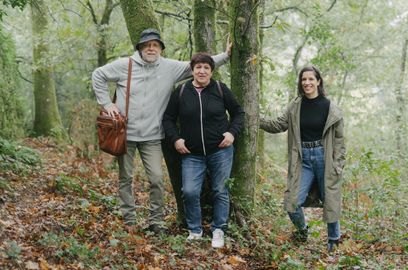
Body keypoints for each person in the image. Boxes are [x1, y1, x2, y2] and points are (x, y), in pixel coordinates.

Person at [92, 29, 231, 235]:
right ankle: (129, 220)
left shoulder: (169, 67)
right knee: (126, 178)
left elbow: (199, 67)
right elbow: (98, 75)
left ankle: (156, 222)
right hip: (125, 135)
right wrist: (106, 104)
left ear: (160, 49)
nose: (151, 48)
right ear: (139, 47)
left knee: (156, 179)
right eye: (147, 45)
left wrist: (226, 56)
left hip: (153, 137)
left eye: (155, 45)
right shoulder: (124, 65)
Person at [162, 52, 245, 248]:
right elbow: (167, 119)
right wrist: (175, 139)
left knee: (220, 190)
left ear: (211, 71)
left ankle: (218, 230)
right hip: (192, 154)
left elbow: (238, 113)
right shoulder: (181, 92)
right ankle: (195, 230)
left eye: (206, 67)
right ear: (192, 70)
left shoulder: (219, 89)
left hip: (221, 151)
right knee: (189, 191)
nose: (202, 71)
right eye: (198, 67)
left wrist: (232, 133)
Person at [260, 66, 346, 252]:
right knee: (292, 202)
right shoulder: (295, 105)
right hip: (302, 159)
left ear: (318, 81)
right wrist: (255, 118)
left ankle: (333, 241)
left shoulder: (330, 107)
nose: (307, 83)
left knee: (330, 200)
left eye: (310, 79)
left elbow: (339, 141)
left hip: (325, 158)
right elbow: (278, 124)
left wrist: (338, 164)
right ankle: (302, 230)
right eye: (303, 79)